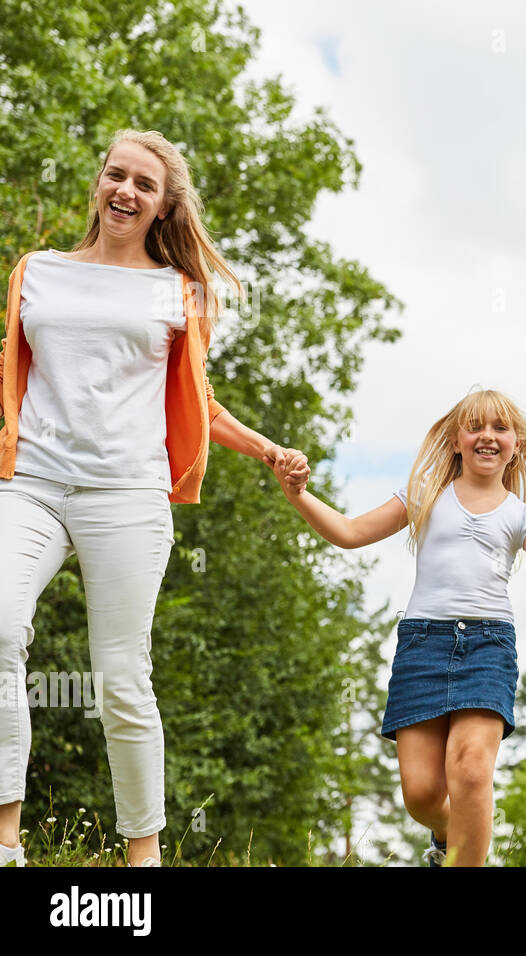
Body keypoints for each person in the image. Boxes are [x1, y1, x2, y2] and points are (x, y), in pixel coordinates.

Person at [0, 129, 308, 868]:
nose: (125, 191)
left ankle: (145, 857)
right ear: (98, 182)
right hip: (32, 483)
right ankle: (6, 841)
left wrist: (267, 449)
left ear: (163, 206)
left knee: (119, 676)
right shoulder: (35, 272)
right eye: (116, 175)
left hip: (128, 493)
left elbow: (200, 402)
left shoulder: (177, 291)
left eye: (144, 184)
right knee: (0, 628)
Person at [273, 387, 526, 867]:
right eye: (476, 427)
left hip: (487, 646)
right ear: (456, 441)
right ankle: (449, 839)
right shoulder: (425, 494)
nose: (488, 436)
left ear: (517, 444)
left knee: (470, 771)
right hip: (422, 645)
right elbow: (351, 532)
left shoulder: (524, 512)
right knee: (421, 795)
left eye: (500, 428)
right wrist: (297, 495)